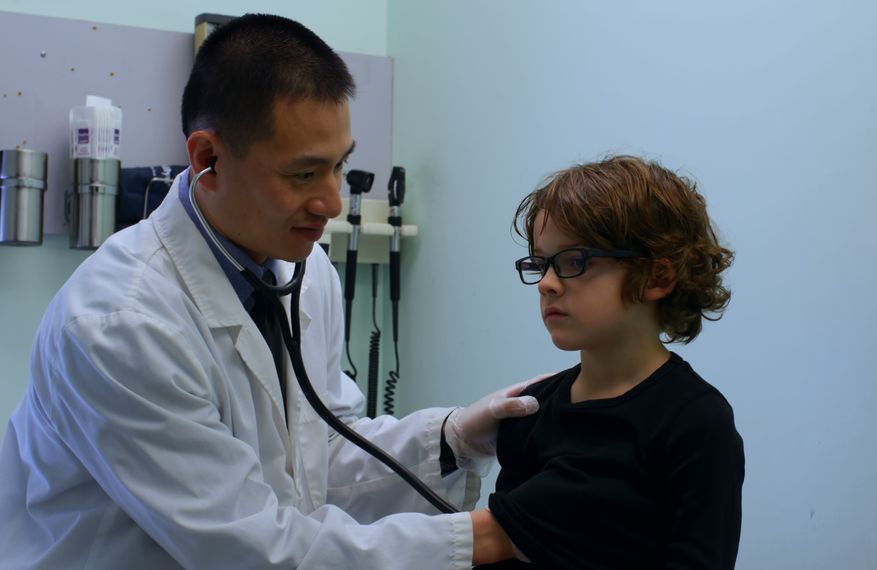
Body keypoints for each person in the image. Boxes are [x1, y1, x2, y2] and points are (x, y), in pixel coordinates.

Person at [0, 14, 532, 569]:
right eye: (303, 175)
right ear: (208, 158)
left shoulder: (306, 270)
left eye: (340, 166)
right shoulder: (120, 323)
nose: (331, 202)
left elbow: (318, 453)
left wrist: (454, 437)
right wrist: (488, 537)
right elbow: (249, 549)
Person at [479, 155, 745, 569]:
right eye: (541, 263)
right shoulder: (531, 411)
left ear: (658, 276)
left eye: (574, 262)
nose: (547, 284)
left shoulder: (696, 421)